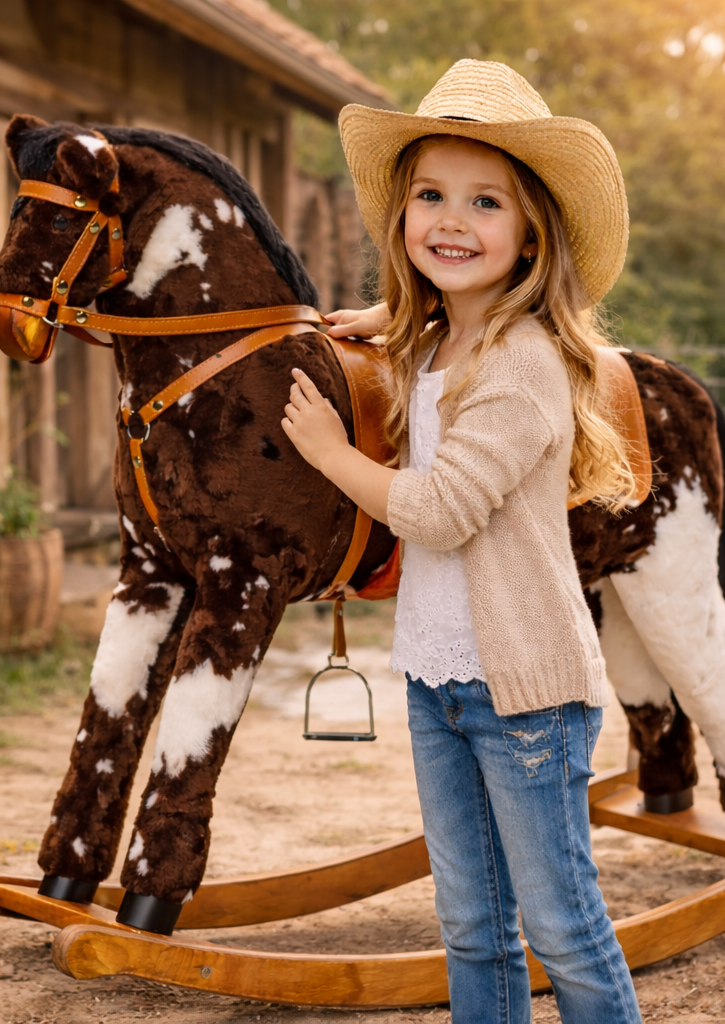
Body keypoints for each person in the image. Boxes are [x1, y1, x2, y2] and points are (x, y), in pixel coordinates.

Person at [281, 60, 642, 1024]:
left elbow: (438, 510)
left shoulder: (523, 363)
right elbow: (421, 343)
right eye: (430, 196)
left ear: (531, 237)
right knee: (471, 927)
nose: (452, 219)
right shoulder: (439, 340)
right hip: (439, 676)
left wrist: (327, 451)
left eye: (486, 202)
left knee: (561, 925)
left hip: (524, 693)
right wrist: (392, 320)